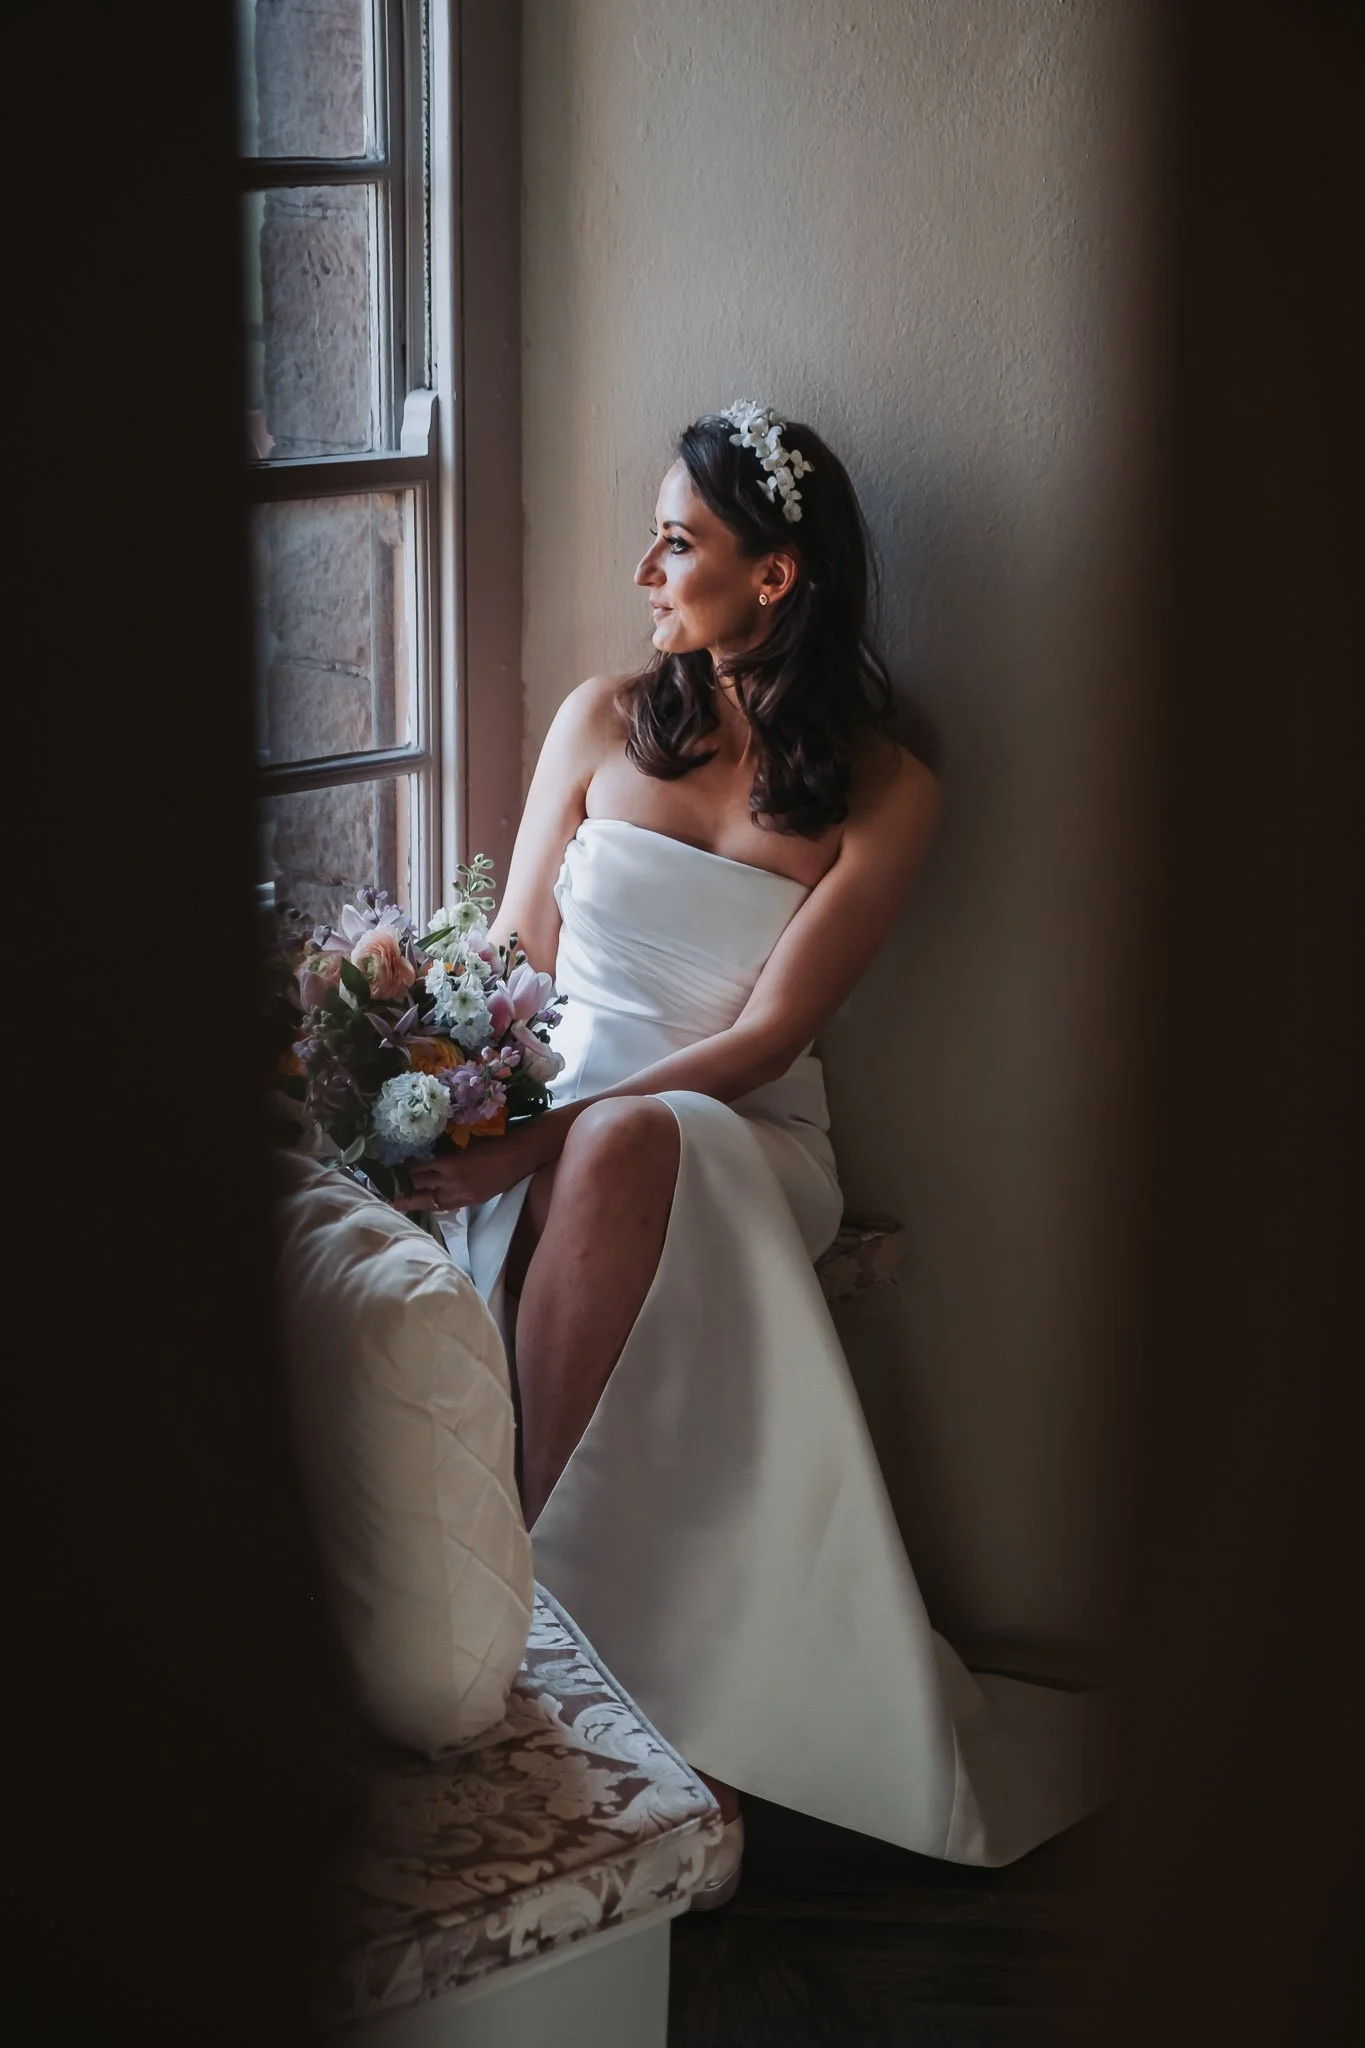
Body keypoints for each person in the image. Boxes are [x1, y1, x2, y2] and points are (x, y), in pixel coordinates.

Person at [396, 403, 1101, 1901]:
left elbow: (774, 1037)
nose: (648, 567)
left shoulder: (889, 787)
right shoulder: (599, 717)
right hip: (565, 1109)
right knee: (577, 1149)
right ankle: (583, 1662)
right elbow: (514, 960)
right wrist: (462, 1105)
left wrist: (556, 1144)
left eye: (682, 542)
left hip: (738, 1130)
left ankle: (517, 1586)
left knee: (635, 1140)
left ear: (775, 576)